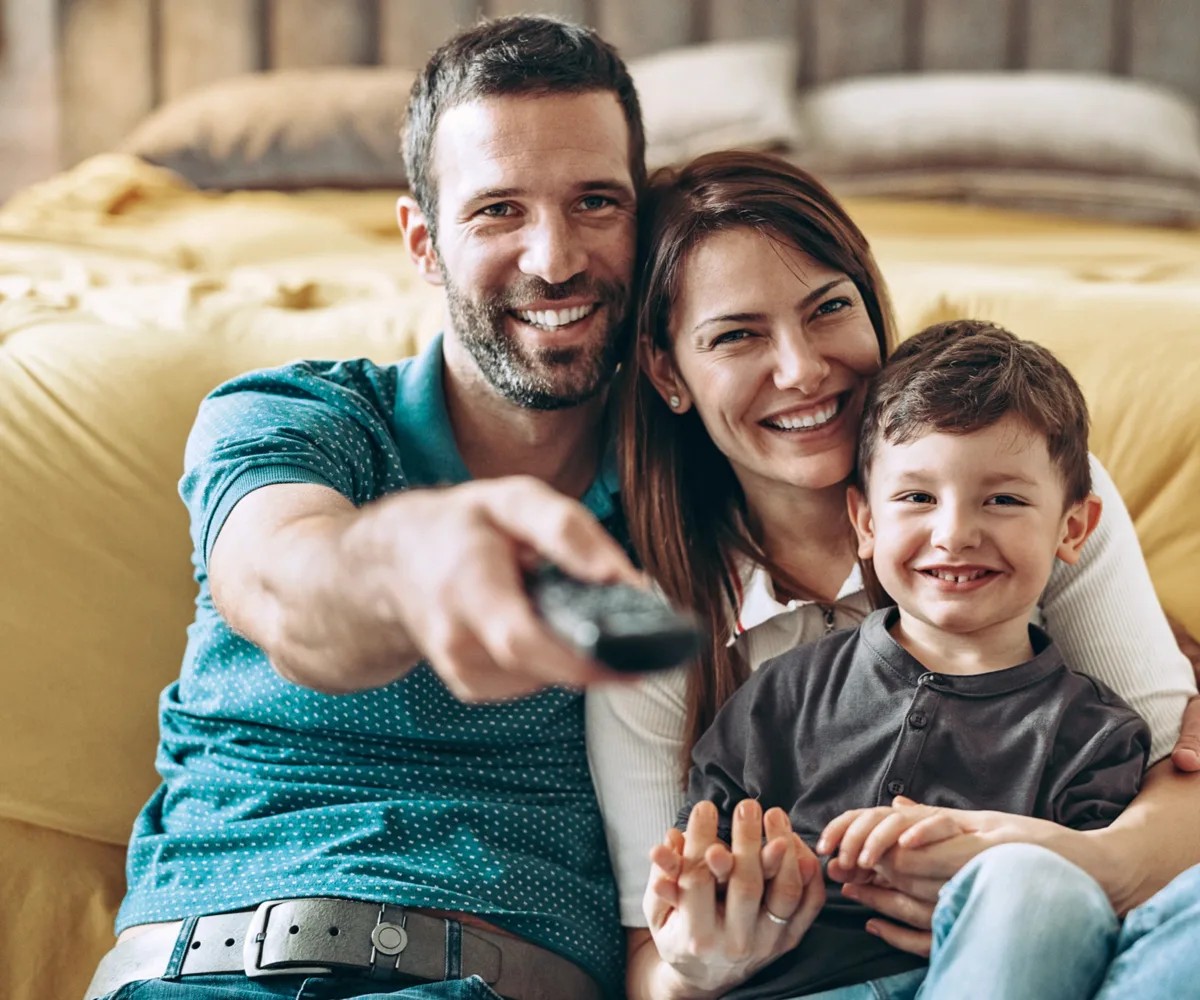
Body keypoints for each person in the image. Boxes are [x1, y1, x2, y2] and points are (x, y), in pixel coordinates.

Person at [83, 16, 650, 1000]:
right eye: (499, 212)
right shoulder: (296, 417)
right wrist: (413, 559)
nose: (554, 258)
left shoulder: (688, 485)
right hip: (191, 973)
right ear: (423, 243)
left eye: (595, 201)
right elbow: (289, 579)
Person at [586, 151, 1200, 999]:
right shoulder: (661, 626)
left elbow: (1180, 786)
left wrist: (1045, 864)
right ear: (666, 372)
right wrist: (703, 959)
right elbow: (650, 962)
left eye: (829, 309)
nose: (801, 369)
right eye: (737, 334)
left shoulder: (1033, 490)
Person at [670, 319, 1152, 999]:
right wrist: (725, 882)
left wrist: (992, 877)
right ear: (866, 523)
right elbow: (704, 859)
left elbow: (1088, 926)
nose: (954, 533)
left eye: (1004, 499)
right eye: (917, 498)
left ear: (1072, 528)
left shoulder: (1095, 736)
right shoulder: (782, 695)